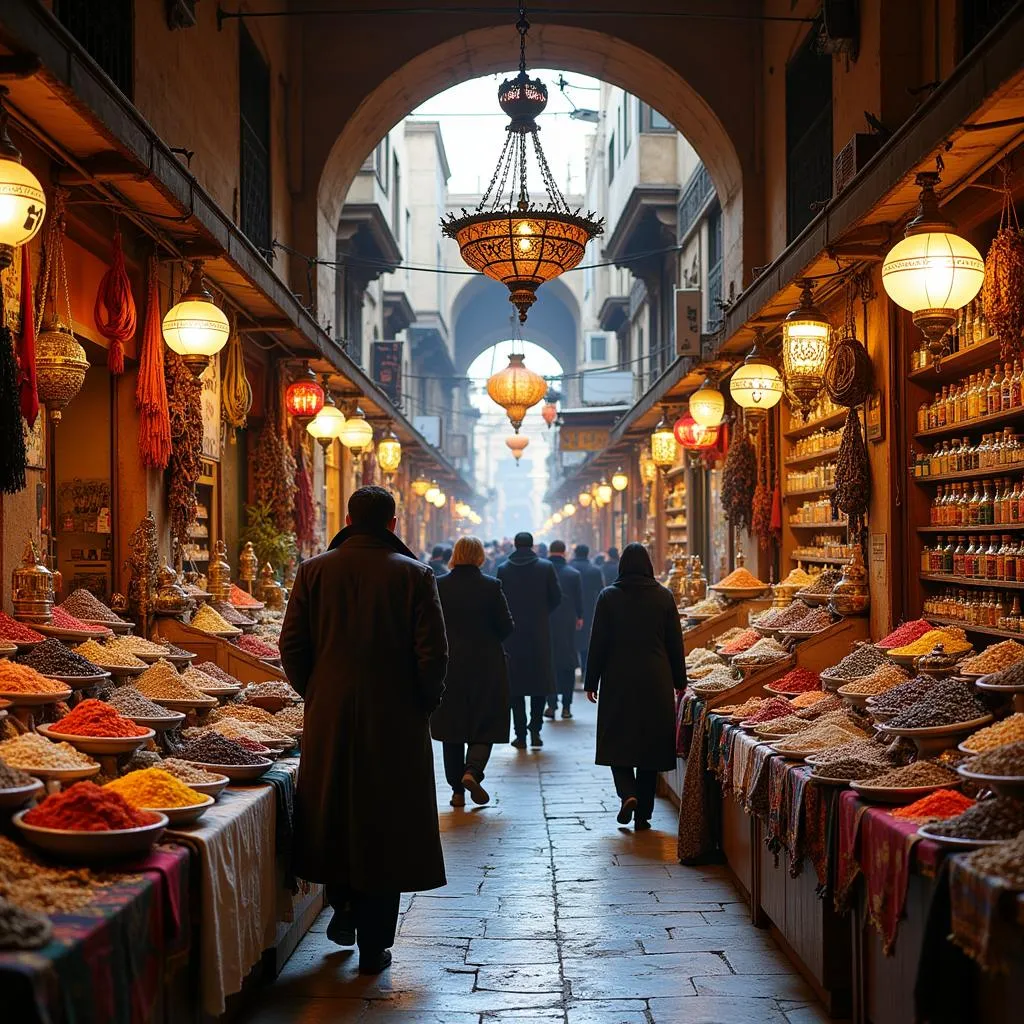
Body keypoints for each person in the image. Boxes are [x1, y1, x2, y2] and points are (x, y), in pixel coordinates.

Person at [279, 486, 448, 974]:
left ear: (349, 519)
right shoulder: (415, 575)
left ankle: (344, 907)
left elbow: (291, 646)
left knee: (334, 809)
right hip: (395, 717)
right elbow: (433, 655)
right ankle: (375, 942)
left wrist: (318, 692)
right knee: (386, 819)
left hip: (329, 713)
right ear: (392, 524)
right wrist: (421, 704)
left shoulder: (314, 570)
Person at [584, 542, 686, 831]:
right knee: (650, 744)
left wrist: (591, 682)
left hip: (618, 677)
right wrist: (680, 681)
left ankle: (627, 793)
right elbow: (674, 643)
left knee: (617, 737)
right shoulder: (664, 597)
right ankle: (643, 813)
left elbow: (598, 643)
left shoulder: (608, 597)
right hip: (655, 677)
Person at [431, 537, 514, 807]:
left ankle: (457, 790)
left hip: (449, 665)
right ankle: (472, 771)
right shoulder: (491, 586)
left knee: (452, 727)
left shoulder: (438, 585)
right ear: (480, 556)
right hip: (486, 665)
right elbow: (506, 626)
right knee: (485, 722)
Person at [497, 532, 561, 748]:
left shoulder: (504, 569)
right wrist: (542, 614)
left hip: (512, 635)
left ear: (514, 545)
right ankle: (536, 731)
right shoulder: (545, 567)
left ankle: (521, 734)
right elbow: (556, 597)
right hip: (539, 634)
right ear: (532, 545)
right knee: (539, 683)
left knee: (515, 688)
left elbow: (499, 600)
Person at [545, 540, 583, 720]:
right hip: (567, 622)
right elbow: (578, 600)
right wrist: (580, 617)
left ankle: (551, 704)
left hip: (546, 621)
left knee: (548, 662)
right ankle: (567, 707)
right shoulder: (573, 574)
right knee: (567, 664)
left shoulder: (542, 571)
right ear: (565, 551)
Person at [569, 543, 604, 674]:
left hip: (570, 609)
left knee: (572, 638)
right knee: (586, 639)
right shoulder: (594, 570)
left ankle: (573, 668)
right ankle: (585, 669)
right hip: (589, 608)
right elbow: (601, 591)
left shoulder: (569, 568)